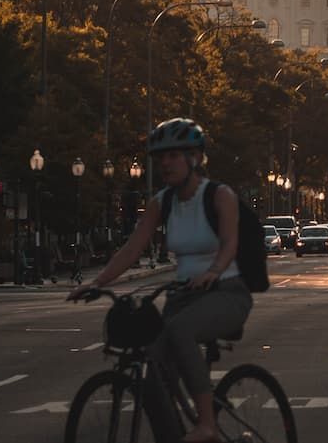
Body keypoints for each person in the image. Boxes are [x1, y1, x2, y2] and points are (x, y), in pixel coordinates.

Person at [70, 118, 252, 443]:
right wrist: (98, 282)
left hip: (226, 292)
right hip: (183, 296)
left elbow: (229, 243)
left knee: (179, 331)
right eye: (160, 157)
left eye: (173, 155)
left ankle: (208, 425)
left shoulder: (218, 195)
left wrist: (213, 271)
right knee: (149, 363)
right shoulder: (162, 202)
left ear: (194, 158)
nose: (165, 163)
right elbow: (132, 248)